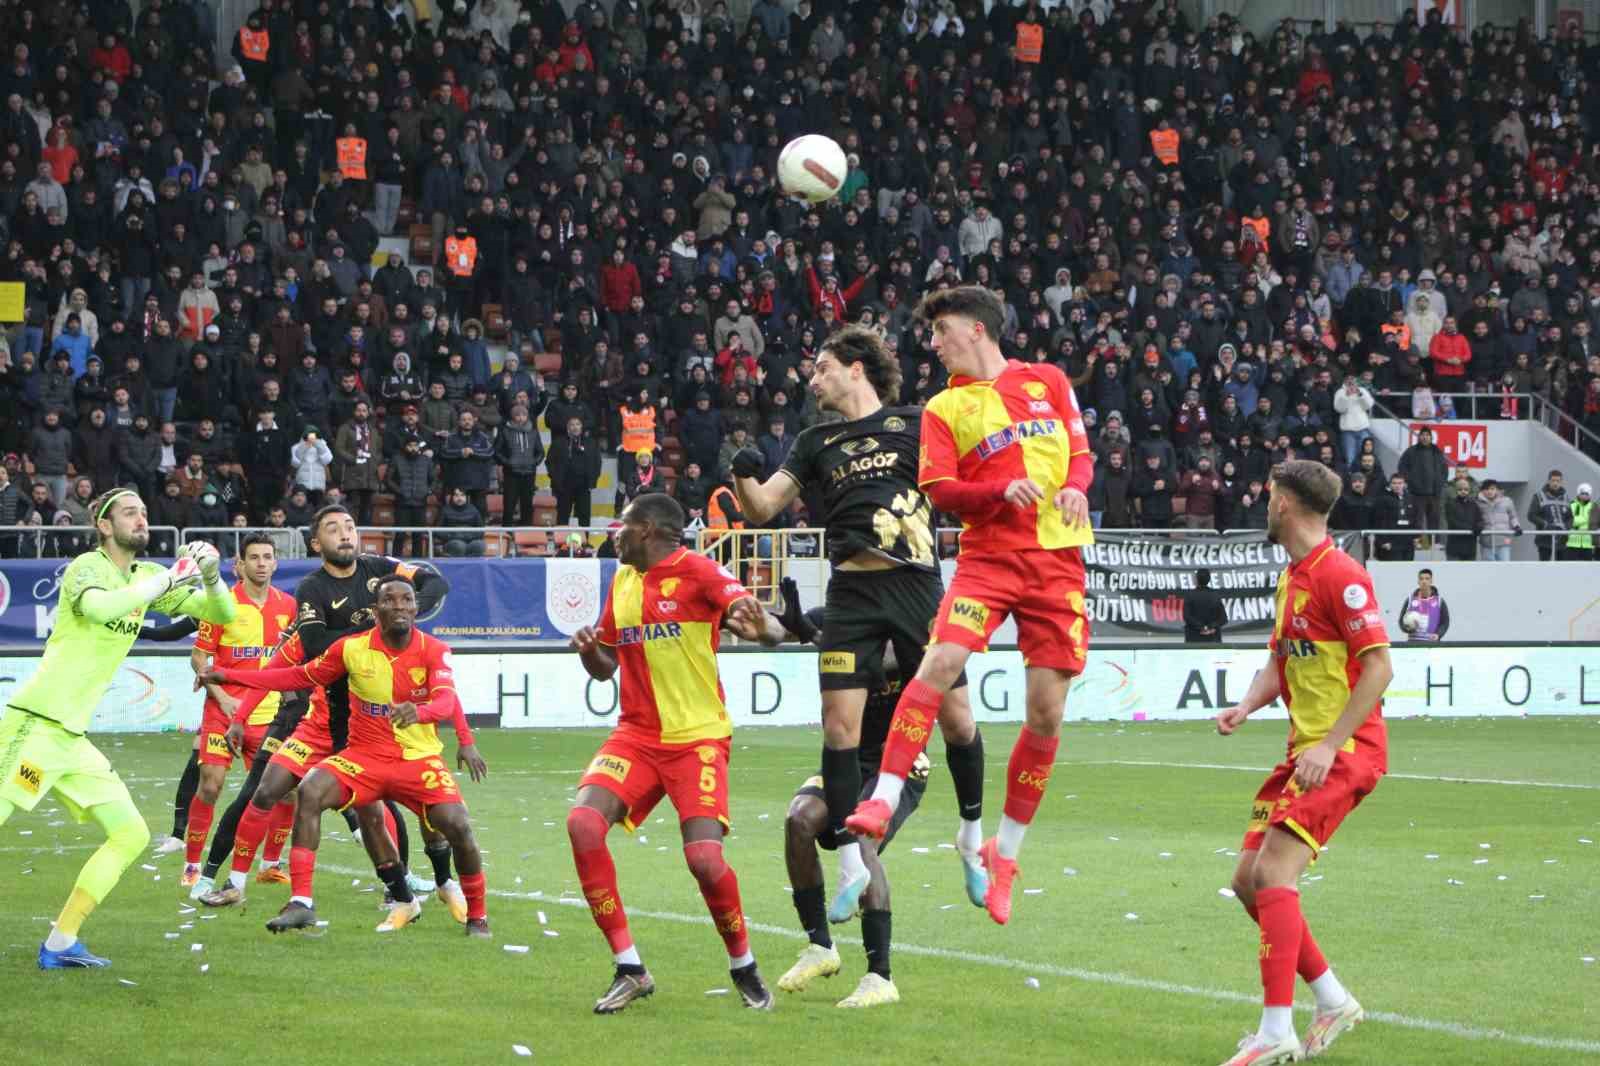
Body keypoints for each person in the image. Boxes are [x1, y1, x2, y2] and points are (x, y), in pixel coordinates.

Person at [846, 286, 1094, 926]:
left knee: (1046, 713)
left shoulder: (1048, 381)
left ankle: (1003, 855)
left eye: (942, 331)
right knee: (938, 663)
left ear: (977, 330)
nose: (934, 343)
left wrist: (1074, 488)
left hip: (1057, 561)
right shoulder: (943, 407)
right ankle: (883, 798)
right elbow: (940, 490)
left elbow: (1080, 455)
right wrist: (996, 491)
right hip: (988, 560)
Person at [730, 324, 987, 926]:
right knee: (838, 727)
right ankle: (851, 865)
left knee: (957, 720)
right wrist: (742, 472)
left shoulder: (917, 423)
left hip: (916, 584)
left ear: (855, 367)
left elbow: (966, 477)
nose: (812, 380)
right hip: (850, 590)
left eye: (821, 368)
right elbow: (761, 508)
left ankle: (972, 838)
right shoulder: (814, 441)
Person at [566, 493, 785, 1014]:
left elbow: (765, 624)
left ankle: (743, 965)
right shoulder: (623, 580)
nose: (614, 535)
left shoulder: (701, 572)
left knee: (705, 860)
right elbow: (606, 667)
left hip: (697, 738)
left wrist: (768, 633)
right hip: (636, 736)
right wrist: (590, 652)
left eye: (622, 526)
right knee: (582, 825)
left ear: (646, 529)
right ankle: (629, 968)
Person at [0, 489, 237, 968]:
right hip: (36, 726)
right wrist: (173, 575)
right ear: (104, 526)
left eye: (144, 511)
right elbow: (100, 609)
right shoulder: (86, 566)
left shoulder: (146, 576)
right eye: (130, 512)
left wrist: (212, 578)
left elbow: (223, 614)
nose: (141, 518)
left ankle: (61, 942)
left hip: (71, 739)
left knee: (130, 834)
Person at [1213, 460, 1392, 1065]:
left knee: (1273, 874)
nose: (1265, 506)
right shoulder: (1293, 576)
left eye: (1269, 497)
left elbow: (1379, 668)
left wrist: (1329, 743)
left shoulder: (1341, 575)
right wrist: (1246, 705)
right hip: (1305, 753)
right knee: (1248, 881)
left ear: (1284, 503)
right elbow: (1280, 660)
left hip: (1344, 752)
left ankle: (1275, 1032)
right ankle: (1334, 1000)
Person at [198, 575, 489, 934]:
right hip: (362, 756)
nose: (399, 606)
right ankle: (301, 902)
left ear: (416, 608)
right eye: (389, 600)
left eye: (406, 600)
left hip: (417, 757)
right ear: (375, 610)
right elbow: (296, 676)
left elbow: (446, 699)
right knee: (310, 791)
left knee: (455, 823)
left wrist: (433, 719)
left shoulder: (434, 649)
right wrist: (226, 675)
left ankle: (475, 914)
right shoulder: (348, 647)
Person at [190, 506, 451, 903]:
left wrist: (400, 615)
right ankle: (223, 880)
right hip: (310, 718)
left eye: (350, 526)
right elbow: (284, 668)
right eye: (333, 529)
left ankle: (406, 884)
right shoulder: (312, 595)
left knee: (376, 809)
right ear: (316, 543)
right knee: (262, 792)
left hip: (365, 725)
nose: (345, 534)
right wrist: (239, 712)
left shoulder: (380, 570)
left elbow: (434, 582)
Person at [775, 591, 928, 1009]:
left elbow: (885, 662)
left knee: (861, 840)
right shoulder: (838, 615)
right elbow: (773, 631)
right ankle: (820, 947)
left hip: (900, 764)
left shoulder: (911, 617)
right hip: (847, 761)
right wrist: (758, 619)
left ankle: (880, 976)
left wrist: (818, 637)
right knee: (799, 819)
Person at [178, 534, 298, 893]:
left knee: (286, 792)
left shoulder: (289, 606)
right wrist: (221, 696)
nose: (261, 563)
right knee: (211, 785)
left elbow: (293, 660)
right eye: (254, 558)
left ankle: (270, 864)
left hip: (270, 716)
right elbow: (199, 657)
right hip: (223, 712)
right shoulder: (221, 605)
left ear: (275, 563)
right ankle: (192, 865)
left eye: (267, 557)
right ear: (240, 565)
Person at [1527, 470, 1570, 562]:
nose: (1555, 483)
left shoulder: (1566, 497)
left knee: (1562, 567)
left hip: (1562, 538)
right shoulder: (1539, 496)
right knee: (1544, 566)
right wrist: (1545, 525)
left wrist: (1566, 527)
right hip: (1545, 538)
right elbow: (1531, 515)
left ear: (1561, 482)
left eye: (1558, 481)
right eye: (1553, 480)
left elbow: (1570, 517)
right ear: (1548, 481)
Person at [1474, 479, 1521, 562]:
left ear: (1497, 490)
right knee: (1488, 567)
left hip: (1503, 540)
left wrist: (1517, 526)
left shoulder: (1507, 501)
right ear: (1482, 491)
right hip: (1486, 542)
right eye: (1487, 489)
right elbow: (1475, 518)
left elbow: (1513, 516)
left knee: (1504, 566)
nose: (1490, 491)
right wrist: (1477, 526)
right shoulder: (1477, 502)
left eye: (1492, 489)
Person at [1398, 568, 1449, 641]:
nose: (1424, 581)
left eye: (1427, 579)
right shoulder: (1410, 600)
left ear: (1431, 581)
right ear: (1418, 581)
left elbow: (1445, 622)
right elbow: (1401, 620)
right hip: (1413, 642)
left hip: (1431, 642)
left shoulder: (1439, 601)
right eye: (1421, 579)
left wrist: (1438, 634)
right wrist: (1407, 629)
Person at [1183, 568, 1227, 643]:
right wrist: (1210, 627)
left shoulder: (1189, 596)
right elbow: (1223, 619)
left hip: (1194, 639)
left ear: (1196, 580)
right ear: (1209, 580)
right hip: (1213, 639)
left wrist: (1203, 627)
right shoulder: (1215, 595)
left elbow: (1187, 617)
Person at [1567, 483, 1595, 561]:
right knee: (1570, 566)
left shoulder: (1594, 506)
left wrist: (1578, 520)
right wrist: (1586, 519)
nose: (1584, 496)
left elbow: (1595, 522)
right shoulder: (1572, 505)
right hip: (1572, 543)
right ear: (1578, 493)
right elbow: (1570, 522)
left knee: (1588, 567)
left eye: (1587, 494)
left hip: (1588, 544)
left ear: (1590, 495)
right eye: (1582, 493)